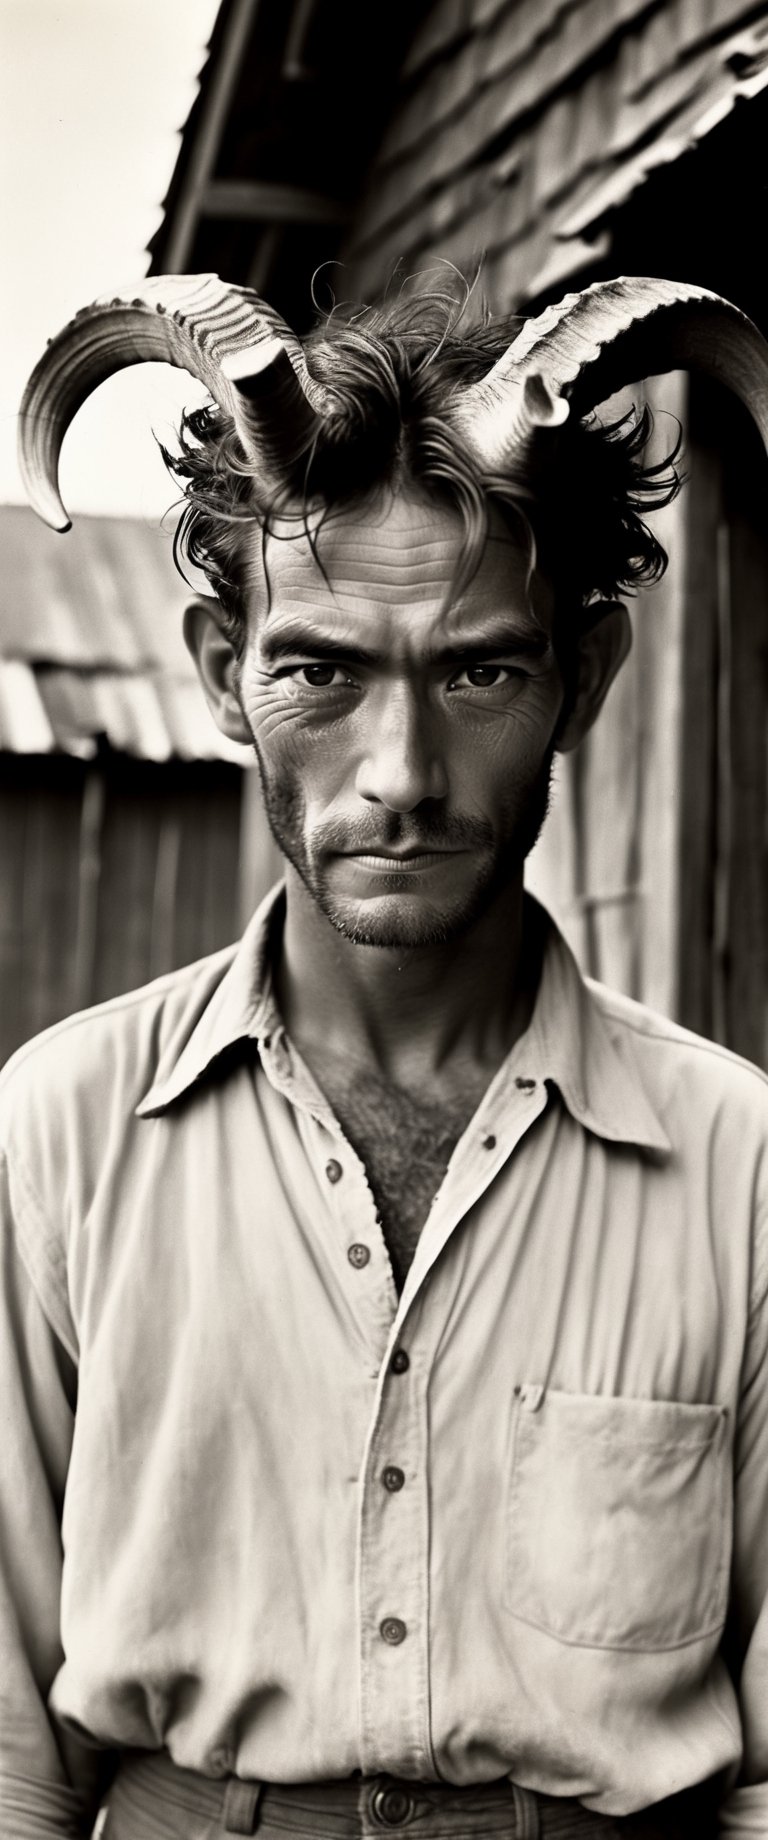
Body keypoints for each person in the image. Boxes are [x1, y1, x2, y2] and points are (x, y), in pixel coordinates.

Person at [3, 272, 768, 1840]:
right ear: (227, 676)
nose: (402, 776)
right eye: (321, 670)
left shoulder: (742, 1166)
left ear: (586, 678)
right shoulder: (61, 1133)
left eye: (478, 669)